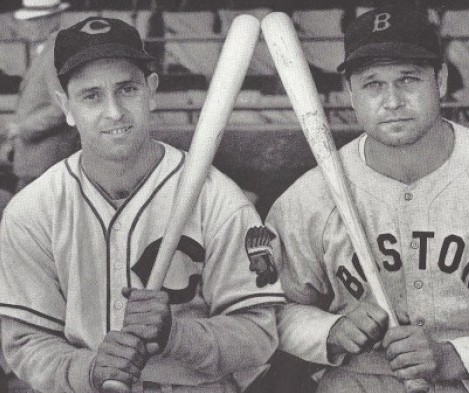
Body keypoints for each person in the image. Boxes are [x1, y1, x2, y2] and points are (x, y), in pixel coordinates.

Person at [266, 5, 469, 393]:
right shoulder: (309, 196)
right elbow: (269, 311)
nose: (392, 101)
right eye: (373, 84)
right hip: (360, 382)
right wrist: (327, 331)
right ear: (350, 93)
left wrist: (454, 356)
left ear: (440, 81)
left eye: (408, 79)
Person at [0, 16, 284, 393]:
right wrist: (88, 368)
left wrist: (177, 335)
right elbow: (25, 344)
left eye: (127, 89)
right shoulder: (31, 212)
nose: (114, 111)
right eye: (91, 96)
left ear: (151, 92)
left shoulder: (219, 199)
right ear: (64, 107)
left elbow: (259, 335)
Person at [7, 0, 81, 191]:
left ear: (53, 20)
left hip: (44, 163)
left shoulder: (55, 54)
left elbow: (62, 107)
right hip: (39, 162)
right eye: (28, 21)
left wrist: (22, 128)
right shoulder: (46, 51)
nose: (27, 26)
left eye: (35, 20)